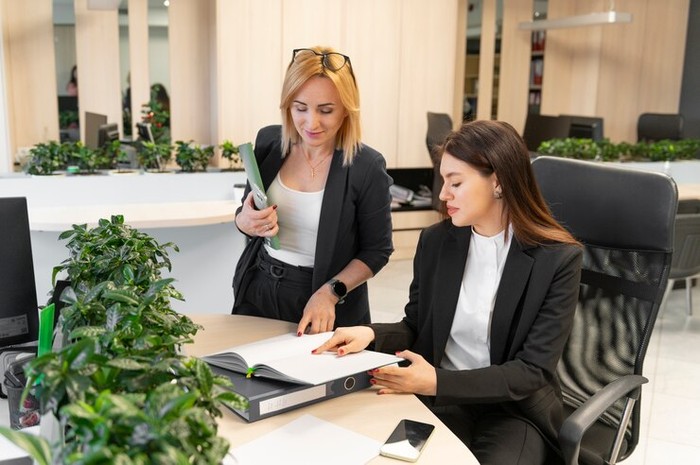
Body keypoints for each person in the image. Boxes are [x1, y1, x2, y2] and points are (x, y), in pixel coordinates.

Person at [314, 120, 583, 465]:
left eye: (456, 183)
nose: (442, 194)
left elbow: (532, 372)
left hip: (513, 410)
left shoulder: (557, 260)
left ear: (498, 182)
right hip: (442, 400)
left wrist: (436, 382)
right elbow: (416, 326)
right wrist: (369, 334)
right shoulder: (437, 242)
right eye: (443, 181)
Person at [232, 46, 394, 336]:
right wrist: (244, 221)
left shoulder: (366, 166)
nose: (311, 122)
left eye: (326, 110)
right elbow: (247, 213)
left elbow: (377, 251)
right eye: (300, 108)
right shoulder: (269, 142)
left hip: (323, 302)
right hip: (258, 287)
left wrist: (330, 292)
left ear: (347, 109)